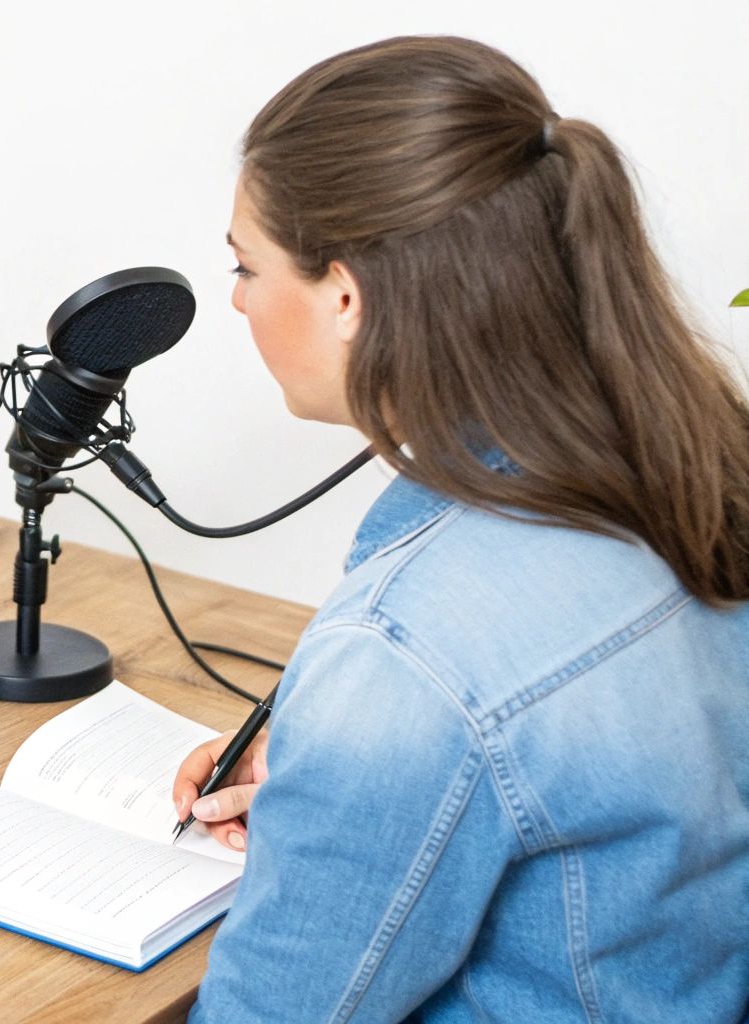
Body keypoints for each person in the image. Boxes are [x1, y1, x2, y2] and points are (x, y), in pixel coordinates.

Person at [169, 35, 749, 1022]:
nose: (233, 298)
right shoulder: (691, 473)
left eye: (245, 265)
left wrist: (368, 751)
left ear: (344, 295)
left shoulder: (408, 653)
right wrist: (350, 790)